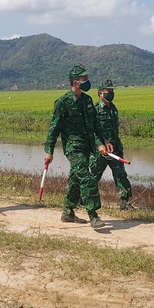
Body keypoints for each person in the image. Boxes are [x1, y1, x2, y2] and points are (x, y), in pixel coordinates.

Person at [44, 64, 112, 229]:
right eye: (84, 79)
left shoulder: (88, 100)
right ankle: (93, 214)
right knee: (87, 178)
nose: (87, 81)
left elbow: (95, 125)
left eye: (87, 78)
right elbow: (54, 128)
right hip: (73, 147)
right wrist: (49, 151)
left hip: (87, 145)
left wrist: (103, 142)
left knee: (75, 178)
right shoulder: (63, 102)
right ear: (75, 82)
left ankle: (68, 211)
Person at [90, 79, 135, 210]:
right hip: (101, 151)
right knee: (93, 176)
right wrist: (100, 144)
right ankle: (83, 199)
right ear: (100, 93)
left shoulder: (113, 108)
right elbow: (91, 131)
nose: (111, 93)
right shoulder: (95, 109)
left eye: (112, 90)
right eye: (108, 90)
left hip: (115, 149)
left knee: (120, 175)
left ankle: (125, 203)